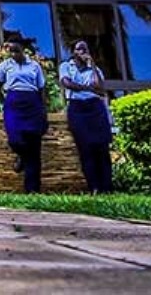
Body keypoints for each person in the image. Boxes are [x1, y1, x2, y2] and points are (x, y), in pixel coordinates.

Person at [0, 41, 49, 193]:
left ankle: (33, 190)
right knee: (15, 139)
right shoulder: (5, 66)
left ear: (23, 50)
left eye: (16, 51)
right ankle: (22, 156)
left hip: (32, 102)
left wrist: (43, 109)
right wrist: (4, 103)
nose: (13, 54)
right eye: (10, 51)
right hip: (14, 102)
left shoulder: (34, 66)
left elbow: (42, 88)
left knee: (34, 147)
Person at [59, 39, 114, 194]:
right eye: (80, 49)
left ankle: (107, 187)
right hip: (77, 108)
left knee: (102, 149)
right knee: (86, 149)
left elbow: (99, 87)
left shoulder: (94, 69)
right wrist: (87, 88)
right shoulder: (65, 66)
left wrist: (93, 65)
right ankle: (94, 187)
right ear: (73, 52)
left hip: (95, 107)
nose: (83, 52)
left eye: (85, 49)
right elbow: (67, 84)